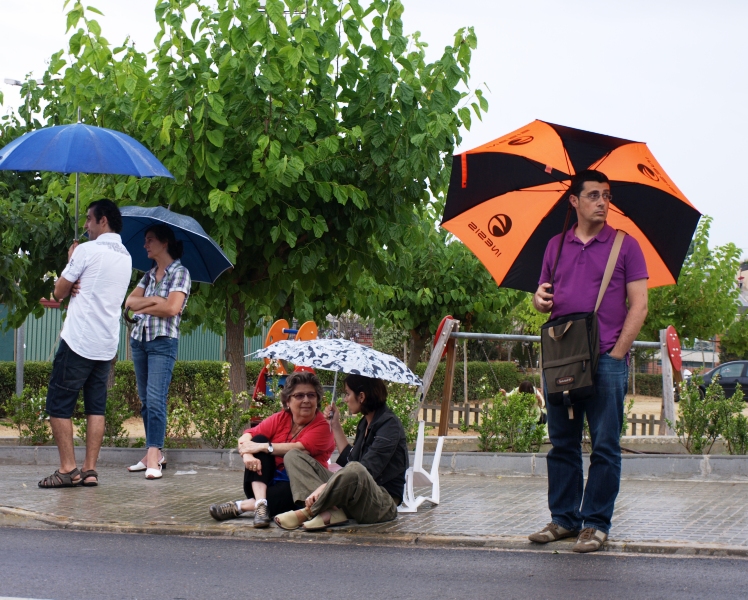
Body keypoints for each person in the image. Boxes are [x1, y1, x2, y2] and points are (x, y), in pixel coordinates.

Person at [529, 170, 648, 552]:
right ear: (574, 201)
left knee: (605, 447)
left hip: (605, 361)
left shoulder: (625, 246)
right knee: (562, 443)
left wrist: (615, 354)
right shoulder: (555, 246)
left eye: (607, 195)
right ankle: (564, 520)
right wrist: (538, 300)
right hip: (562, 361)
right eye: (594, 195)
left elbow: (640, 304)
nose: (602, 202)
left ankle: (595, 524)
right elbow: (543, 295)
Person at [39, 200, 132, 488]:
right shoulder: (126, 256)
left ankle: (68, 469)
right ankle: (90, 470)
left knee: (59, 404)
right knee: (96, 407)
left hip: (79, 340)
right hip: (106, 344)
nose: (87, 227)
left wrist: (72, 261)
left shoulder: (86, 250)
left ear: (102, 220)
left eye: (89, 220)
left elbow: (58, 292)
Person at [274, 374, 408, 532]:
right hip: (354, 494)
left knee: (356, 469)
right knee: (293, 456)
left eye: (347, 393)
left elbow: (366, 469)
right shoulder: (364, 422)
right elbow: (349, 459)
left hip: (380, 502)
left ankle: (308, 511)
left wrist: (324, 487)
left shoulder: (389, 425)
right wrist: (335, 425)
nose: (345, 399)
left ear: (362, 396)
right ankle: (329, 512)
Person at [208, 371, 334, 528]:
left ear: (317, 399)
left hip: (301, 486)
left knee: (264, 447)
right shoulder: (281, 418)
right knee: (259, 439)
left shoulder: (323, 426)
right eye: (299, 396)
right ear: (288, 401)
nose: (306, 400)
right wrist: (247, 454)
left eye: (311, 395)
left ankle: (243, 506)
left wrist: (262, 447)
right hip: (266, 480)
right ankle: (261, 504)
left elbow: (299, 449)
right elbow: (246, 437)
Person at [125, 224, 191, 480]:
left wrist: (149, 304)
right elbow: (130, 303)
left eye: (150, 240)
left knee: (155, 399)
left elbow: (172, 309)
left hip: (163, 341)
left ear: (164, 243)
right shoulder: (148, 274)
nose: (145, 245)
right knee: (145, 401)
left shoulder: (180, 272)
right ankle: (153, 454)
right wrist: (156, 302)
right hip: (139, 340)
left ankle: (154, 455)